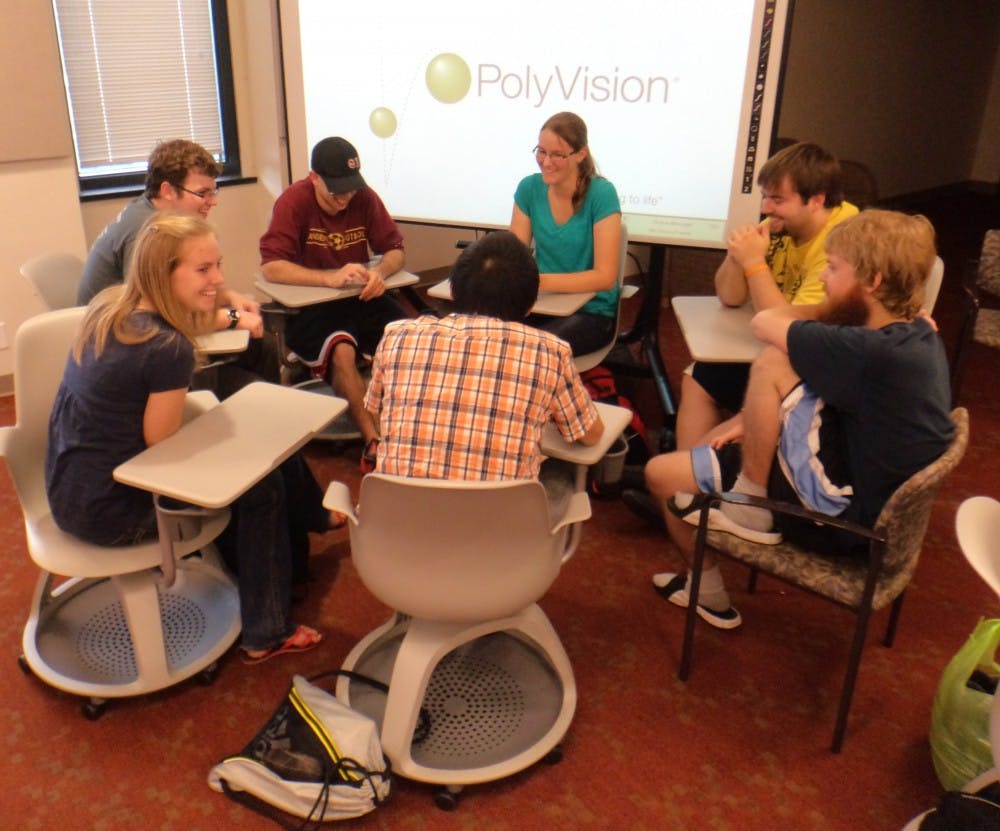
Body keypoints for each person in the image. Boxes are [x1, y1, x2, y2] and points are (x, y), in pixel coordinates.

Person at [642, 210, 954, 630]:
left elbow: (766, 321)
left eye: (834, 268)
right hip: (864, 494)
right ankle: (712, 566)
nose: (823, 276)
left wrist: (830, 309)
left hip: (840, 517)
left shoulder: (866, 351)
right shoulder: (915, 334)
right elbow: (835, 387)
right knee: (706, 445)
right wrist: (754, 417)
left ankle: (748, 509)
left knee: (666, 470)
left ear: (873, 282)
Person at [47, 213, 328, 663]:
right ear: (163, 274)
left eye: (218, 265)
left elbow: (180, 323)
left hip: (68, 487)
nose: (217, 279)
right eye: (203, 269)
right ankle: (268, 630)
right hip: (114, 512)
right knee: (264, 485)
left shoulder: (111, 307)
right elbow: (162, 442)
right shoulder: (167, 349)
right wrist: (226, 445)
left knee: (264, 449)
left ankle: (312, 521)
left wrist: (230, 316)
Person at [364, 231, 604, 510]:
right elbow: (590, 434)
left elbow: (375, 410)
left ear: (452, 292)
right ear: (530, 305)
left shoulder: (397, 336)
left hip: (395, 525)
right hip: (497, 531)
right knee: (562, 475)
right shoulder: (550, 352)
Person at [676, 141, 860, 450]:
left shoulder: (844, 243)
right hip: (778, 353)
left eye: (777, 199)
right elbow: (730, 297)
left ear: (816, 200)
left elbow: (789, 329)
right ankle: (687, 476)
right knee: (698, 378)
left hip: (816, 372)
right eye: (765, 196)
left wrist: (753, 262)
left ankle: (692, 470)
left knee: (726, 425)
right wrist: (737, 256)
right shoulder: (781, 226)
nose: (765, 208)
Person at [76, 138, 279, 398]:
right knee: (253, 385)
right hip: (128, 353)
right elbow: (156, 317)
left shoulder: (150, 212)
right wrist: (231, 317)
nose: (212, 201)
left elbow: (175, 291)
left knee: (261, 346)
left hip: (145, 339)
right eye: (202, 193)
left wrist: (227, 297)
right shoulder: (148, 233)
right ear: (168, 190)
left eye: (213, 192)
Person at [260, 136, 407, 457]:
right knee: (341, 351)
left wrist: (380, 273)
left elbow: (395, 250)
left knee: (409, 336)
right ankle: (374, 441)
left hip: (359, 298)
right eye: (336, 192)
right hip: (311, 307)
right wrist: (328, 279)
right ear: (314, 178)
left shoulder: (364, 197)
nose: (344, 199)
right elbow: (272, 267)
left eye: (350, 190)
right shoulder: (293, 202)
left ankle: (407, 430)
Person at [510, 111, 622, 357]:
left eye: (557, 155)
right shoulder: (529, 189)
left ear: (580, 154)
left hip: (591, 312)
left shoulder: (602, 194)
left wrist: (536, 283)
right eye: (541, 151)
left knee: (533, 352)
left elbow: (605, 277)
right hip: (542, 303)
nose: (546, 162)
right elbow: (513, 260)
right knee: (494, 339)